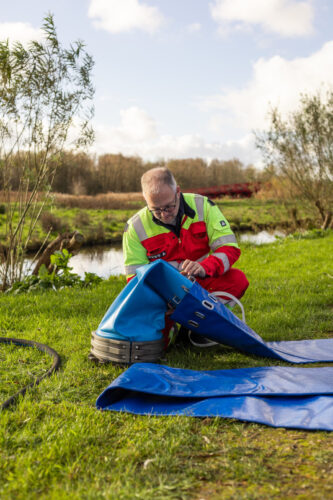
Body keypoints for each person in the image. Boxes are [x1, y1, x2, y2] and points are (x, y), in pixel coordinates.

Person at [123, 167, 249, 347]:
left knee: (237, 280)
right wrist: (161, 300)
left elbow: (229, 248)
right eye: (156, 210)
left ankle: (202, 328)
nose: (164, 215)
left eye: (169, 207)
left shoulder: (203, 206)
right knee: (158, 347)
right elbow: (134, 279)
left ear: (178, 191)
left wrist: (205, 267)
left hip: (201, 284)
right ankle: (173, 331)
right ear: (145, 200)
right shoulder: (135, 227)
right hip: (163, 299)